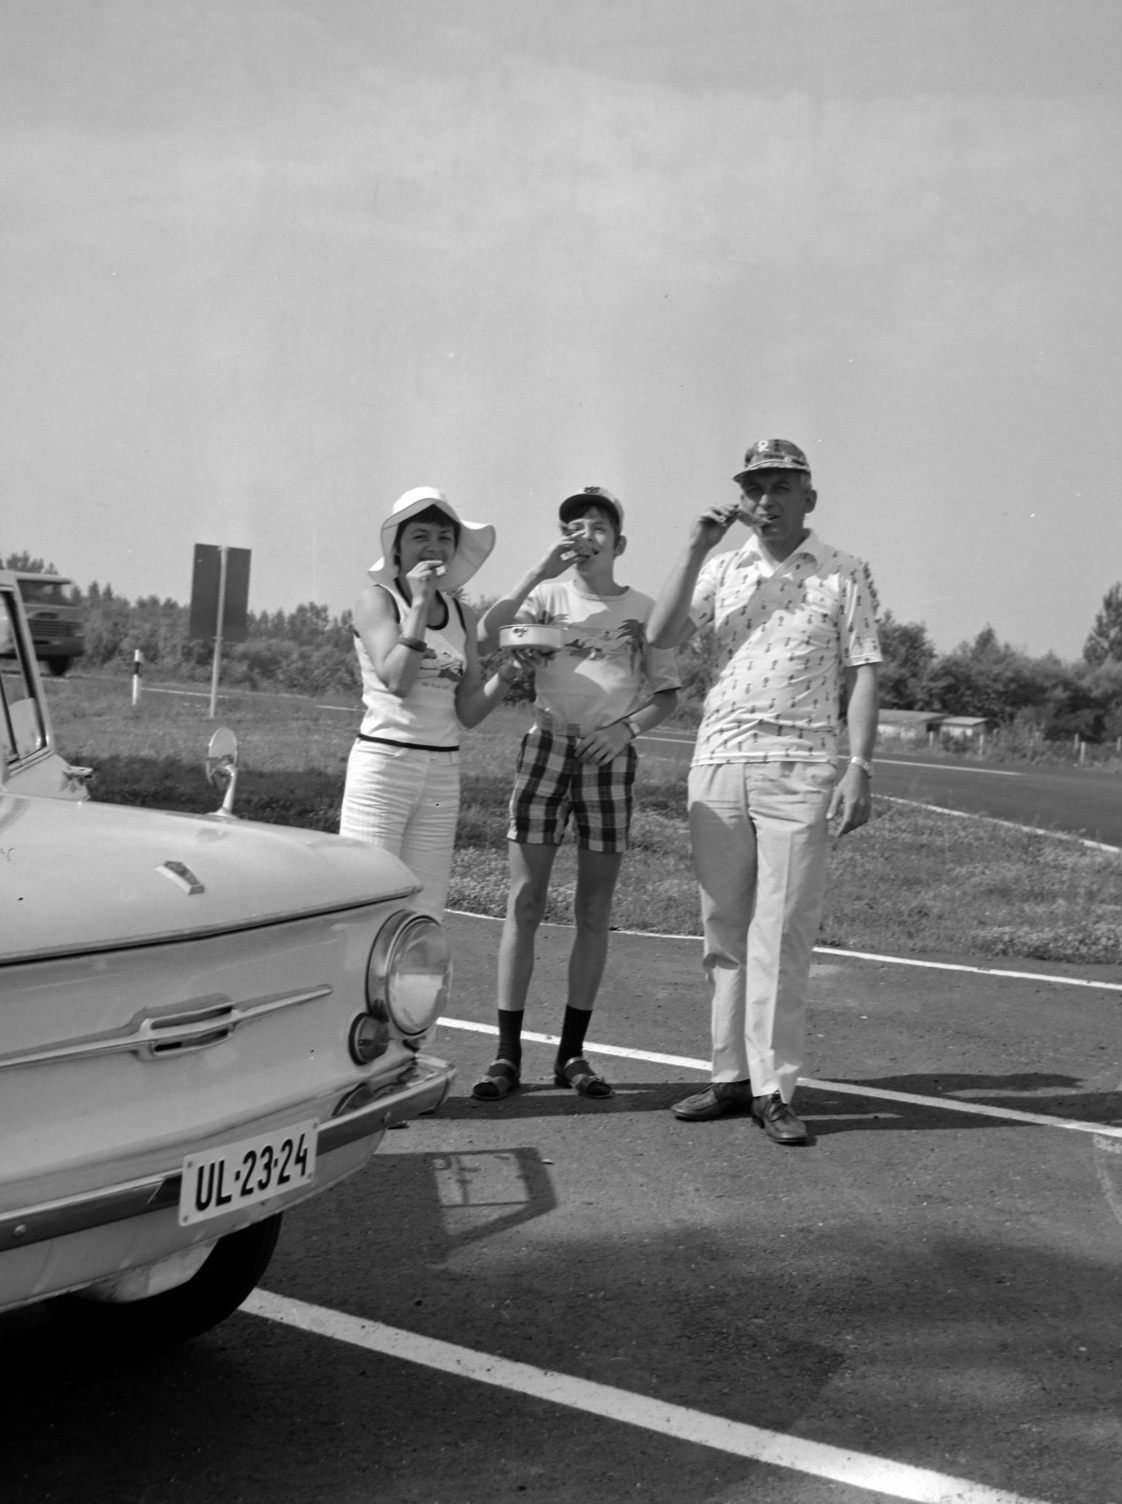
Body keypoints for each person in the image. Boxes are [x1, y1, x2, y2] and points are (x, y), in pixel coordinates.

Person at [647, 440, 881, 1145]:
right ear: (741, 501)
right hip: (718, 762)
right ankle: (729, 1078)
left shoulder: (844, 572)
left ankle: (774, 1086)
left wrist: (859, 764)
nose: (767, 501)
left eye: (782, 486)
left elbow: (863, 669)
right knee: (724, 928)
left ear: (809, 495)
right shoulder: (724, 569)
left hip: (800, 768)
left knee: (780, 933)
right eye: (755, 488)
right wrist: (694, 547)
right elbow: (661, 637)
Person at [471, 486, 681, 1101]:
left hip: (607, 756)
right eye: (572, 526)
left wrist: (626, 729)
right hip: (546, 746)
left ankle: (571, 1054)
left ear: (619, 542)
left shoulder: (646, 610)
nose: (582, 536)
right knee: (524, 902)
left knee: (592, 910)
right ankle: (506, 1056)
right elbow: (489, 638)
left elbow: (667, 692)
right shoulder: (545, 596)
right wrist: (540, 570)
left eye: (595, 527)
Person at [340, 486, 518, 921]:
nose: (433, 547)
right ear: (396, 548)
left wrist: (511, 673)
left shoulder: (461, 615)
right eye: (420, 536)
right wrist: (419, 603)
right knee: (368, 898)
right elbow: (397, 680)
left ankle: (416, 991)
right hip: (385, 765)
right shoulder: (378, 600)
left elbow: (469, 712)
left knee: (425, 907)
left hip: (441, 771)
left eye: (443, 537)